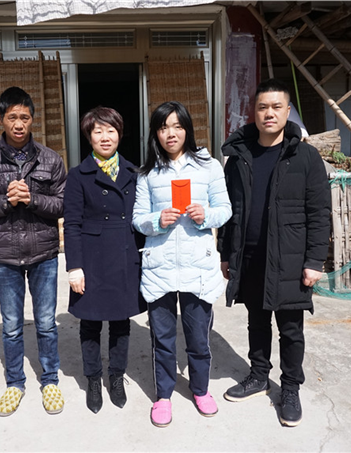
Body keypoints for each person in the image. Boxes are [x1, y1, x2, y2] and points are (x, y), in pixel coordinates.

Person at [217, 78, 331, 427]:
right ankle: (258, 375)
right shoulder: (239, 157)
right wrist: (226, 252)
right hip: (250, 255)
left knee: (291, 328)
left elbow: (320, 213)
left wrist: (315, 260)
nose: (269, 113)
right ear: (253, 112)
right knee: (257, 320)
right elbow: (230, 209)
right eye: (262, 107)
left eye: (276, 107)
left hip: (290, 257)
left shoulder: (305, 156)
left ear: (287, 111)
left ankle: (291, 388)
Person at [0, 86, 66, 417]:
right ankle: (15, 383)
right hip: (5, 256)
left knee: (46, 323)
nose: (18, 124)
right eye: (12, 117)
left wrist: (32, 199)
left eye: (24, 117)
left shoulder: (50, 159)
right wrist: (6, 201)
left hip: (43, 255)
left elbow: (64, 204)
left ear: (33, 119)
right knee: (11, 325)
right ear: (0, 119)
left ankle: (50, 381)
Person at [132, 101, 232, 428]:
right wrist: (156, 221)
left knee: (198, 338)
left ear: (187, 129)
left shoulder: (208, 166)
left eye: (177, 126)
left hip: (197, 266)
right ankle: (163, 395)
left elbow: (225, 209)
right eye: (163, 128)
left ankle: (200, 389)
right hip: (159, 267)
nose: (171, 134)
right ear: (155, 134)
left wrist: (207, 216)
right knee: (162, 339)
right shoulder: (148, 173)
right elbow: (137, 219)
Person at [63, 106, 146, 414]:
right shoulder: (77, 175)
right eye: (98, 131)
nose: (105, 137)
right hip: (92, 259)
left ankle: (116, 376)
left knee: (121, 322)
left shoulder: (134, 173)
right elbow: (71, 224)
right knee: (90, 322)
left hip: (125, 255)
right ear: (89, 137)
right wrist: (74, 267)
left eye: (111, 130)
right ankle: (93, 378)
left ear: (120, 134)